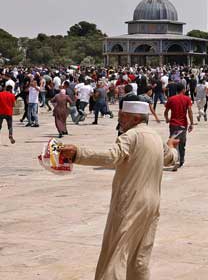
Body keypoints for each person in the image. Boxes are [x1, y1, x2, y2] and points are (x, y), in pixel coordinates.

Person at [58, 101, 180, 280]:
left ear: (136, 118)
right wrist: (170, 146)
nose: (120, 119)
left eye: (123, 115)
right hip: (151, 205)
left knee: (114, 256)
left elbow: (111, 156)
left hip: (129, 203)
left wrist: (78, 153)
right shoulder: (154, 136)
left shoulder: (130, 136)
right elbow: (171, 158)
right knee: (140, 258)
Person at [164, 83, 193, 171]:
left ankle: (175, 159)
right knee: (182, 143)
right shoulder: (187, 99)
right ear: (183, 89)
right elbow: (190, 111)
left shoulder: (171, 99)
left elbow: (166, 111)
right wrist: (192, 123)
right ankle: (181, 160)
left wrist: (167, 119)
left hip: (173, 124)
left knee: (173, 142)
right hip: (183, 125)